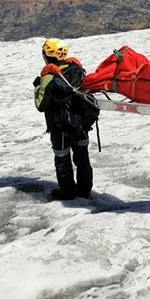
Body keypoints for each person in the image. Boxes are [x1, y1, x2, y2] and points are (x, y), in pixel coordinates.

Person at [33, 38, 100, 200]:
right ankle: (84, 191)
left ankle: (67, 193)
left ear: (47, 55)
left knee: (62, 158)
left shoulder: (49, 78)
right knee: (82, 158)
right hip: (82, 125)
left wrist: (37, 86)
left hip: (60, 127)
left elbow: (41, 105)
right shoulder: (77, 70)